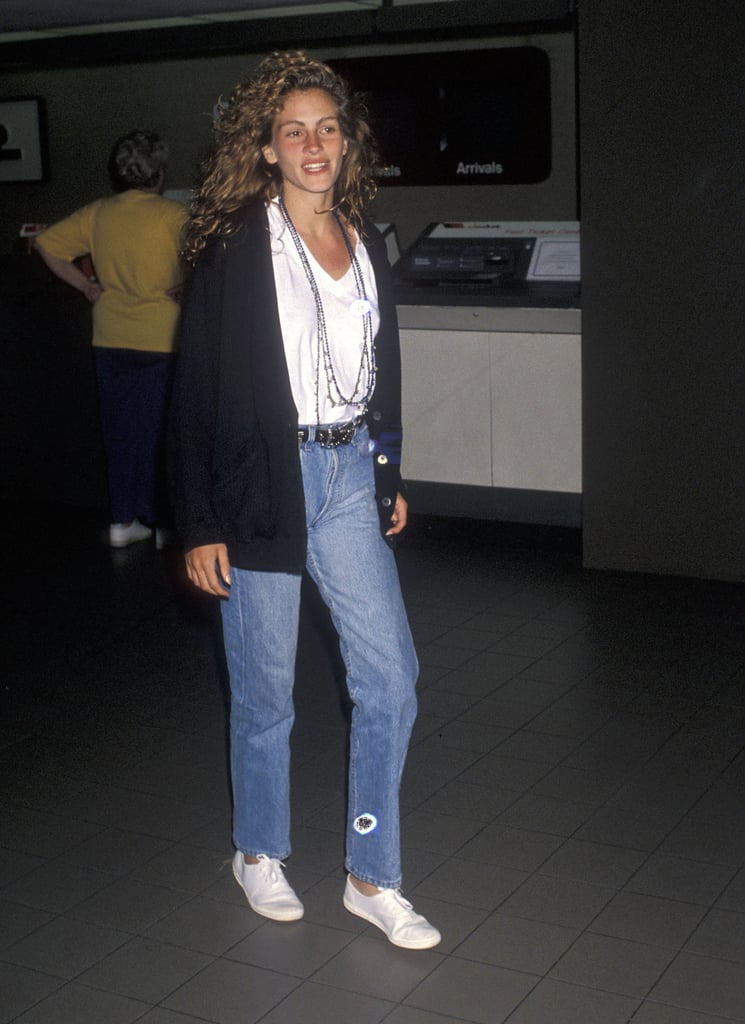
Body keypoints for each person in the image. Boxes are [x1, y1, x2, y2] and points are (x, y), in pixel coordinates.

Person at [168, 51, 440, 950]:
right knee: (266, 693)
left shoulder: (362, 242)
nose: (314, 143)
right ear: (269, 148)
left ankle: (370, 872)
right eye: (295, 130)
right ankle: (259, 852)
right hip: (259, 484)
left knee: (389, 682)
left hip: (347, 476)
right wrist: (199, 518)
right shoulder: (235, 246)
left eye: (327, 127)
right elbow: (195, 388)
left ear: (346, 143)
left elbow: (381, 373)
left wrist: (387, 472)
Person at [34, 129, 187, 548]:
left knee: (119, 433)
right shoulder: (173, 217)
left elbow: (46, 244)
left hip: (110, 336)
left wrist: (86, 286)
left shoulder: (99, 212)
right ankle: (160, 525)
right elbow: (205, 262)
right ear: (159, 172)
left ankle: (122, 523)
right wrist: (183, 286)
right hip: (162, 338)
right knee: (159, 435)